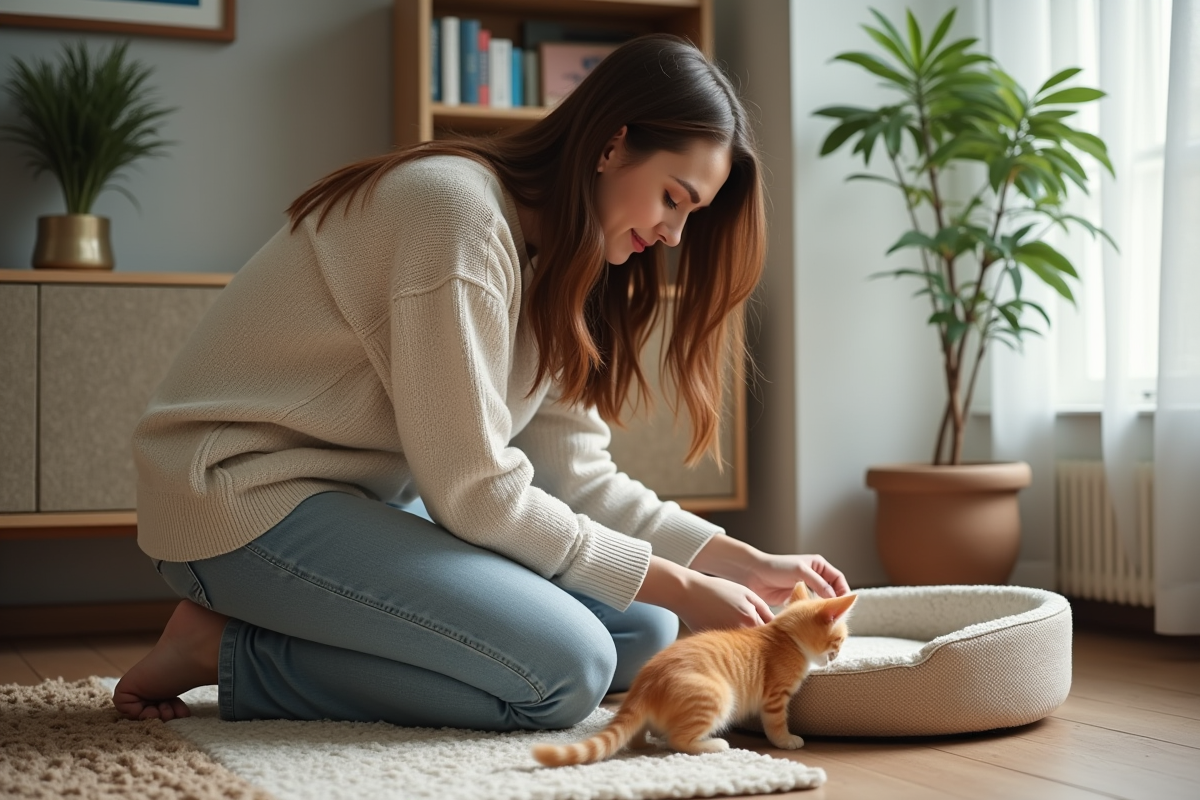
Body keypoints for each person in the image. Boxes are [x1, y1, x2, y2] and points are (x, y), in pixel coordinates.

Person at [113, 34, 850, 729]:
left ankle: (270, 629)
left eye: (691, 214)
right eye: (672, 198)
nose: (674, 237)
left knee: (642, 629)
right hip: (238, 499)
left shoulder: (567, 258)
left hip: (354, 503)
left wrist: (732, 559)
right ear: (611, 143)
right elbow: (474, 490)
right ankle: (220, 650)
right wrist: (686, 584)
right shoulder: (454, 214)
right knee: (567, 669)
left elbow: (576, 475)